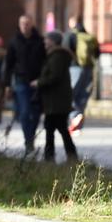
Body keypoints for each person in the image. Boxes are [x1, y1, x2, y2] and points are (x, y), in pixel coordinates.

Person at [33, 31, 79, 163]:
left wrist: (39, 82)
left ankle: (52, 156)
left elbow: (54, 76)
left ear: (53, 41)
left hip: (56, 101)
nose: (44, 42)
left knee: (54, 129)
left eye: (47, 39)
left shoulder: (57, 56)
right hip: (56, 100)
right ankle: (66, 155)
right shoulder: (56, 55)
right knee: (56, 129)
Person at [4, 15, 46, 154]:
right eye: (22, 23)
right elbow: (8, 64)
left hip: (37, 82)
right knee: (24, 113)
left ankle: (31, 138)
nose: (24, 26)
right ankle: (28, 141)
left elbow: (45, 62)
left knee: (35, 113)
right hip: (21, 81)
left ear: (31, 24)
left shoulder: (39, 41)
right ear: (19, 24)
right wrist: (7, 85)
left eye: (27, 23)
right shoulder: (14, 41)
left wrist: (41, 79)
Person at [64, 17, 100, 133]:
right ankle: (78, 126)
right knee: (83, 96)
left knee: (71, 94)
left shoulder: (70, 35)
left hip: (74, 68)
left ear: (72, 24)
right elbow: (97, 54)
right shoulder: (89, 37)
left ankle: (75, 117)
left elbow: (64, 51)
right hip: (88, 68)